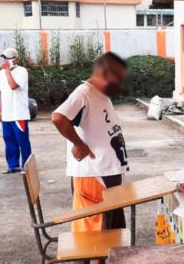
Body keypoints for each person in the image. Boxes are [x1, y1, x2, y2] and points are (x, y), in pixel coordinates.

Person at [52, 52, 128, 232]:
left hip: (106, 173)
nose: (120, 84)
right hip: (93, 176)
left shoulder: (100, 94)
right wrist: (79, 144)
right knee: (91, 237)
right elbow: (59, 117)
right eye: (118, 78)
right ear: (105, 74)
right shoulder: (83, 94)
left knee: (110, 233)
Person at [0, 47, 32, 174]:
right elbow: (2, 93)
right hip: (7, 113)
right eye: (4, 58)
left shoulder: (22, 71)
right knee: (8, 139)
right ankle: (13, 164)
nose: (5, 61)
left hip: (19, 113)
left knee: (22, 140)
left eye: (8, 58)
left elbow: (13, 86)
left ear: (15, 60)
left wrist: (7, 70)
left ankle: (26, 165)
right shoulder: (1, 74)